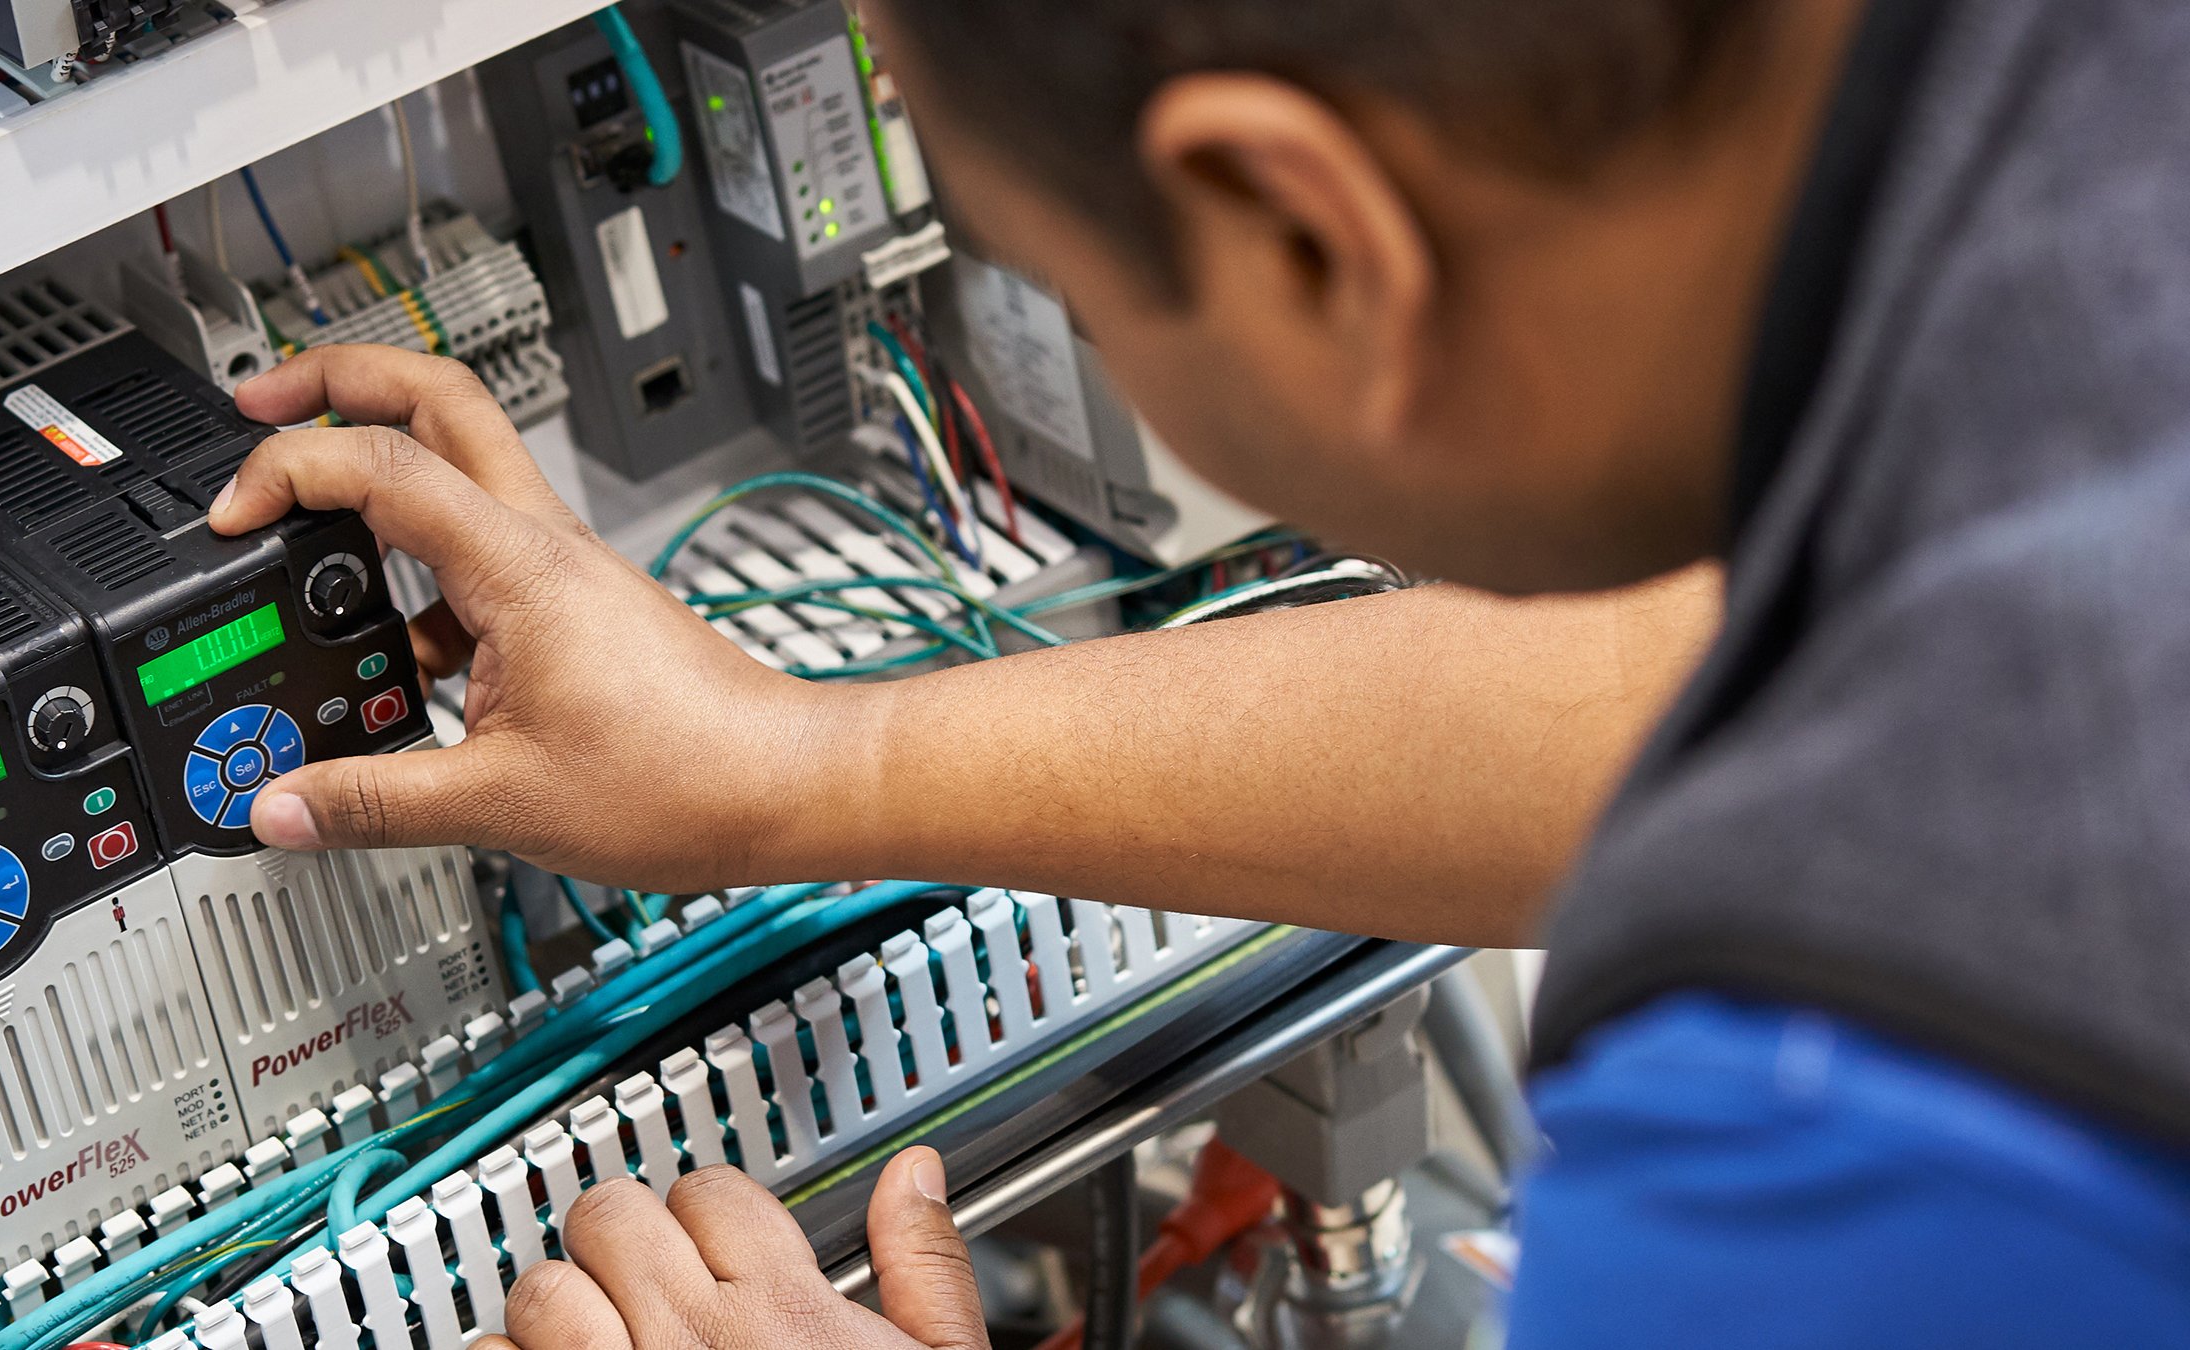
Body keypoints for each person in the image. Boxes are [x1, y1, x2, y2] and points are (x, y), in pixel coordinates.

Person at [206, 0, 2190, 1342]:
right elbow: (1722, 695)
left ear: (1298, 229)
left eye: (1026, 256)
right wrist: (799, 760)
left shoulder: (1878, 1109)